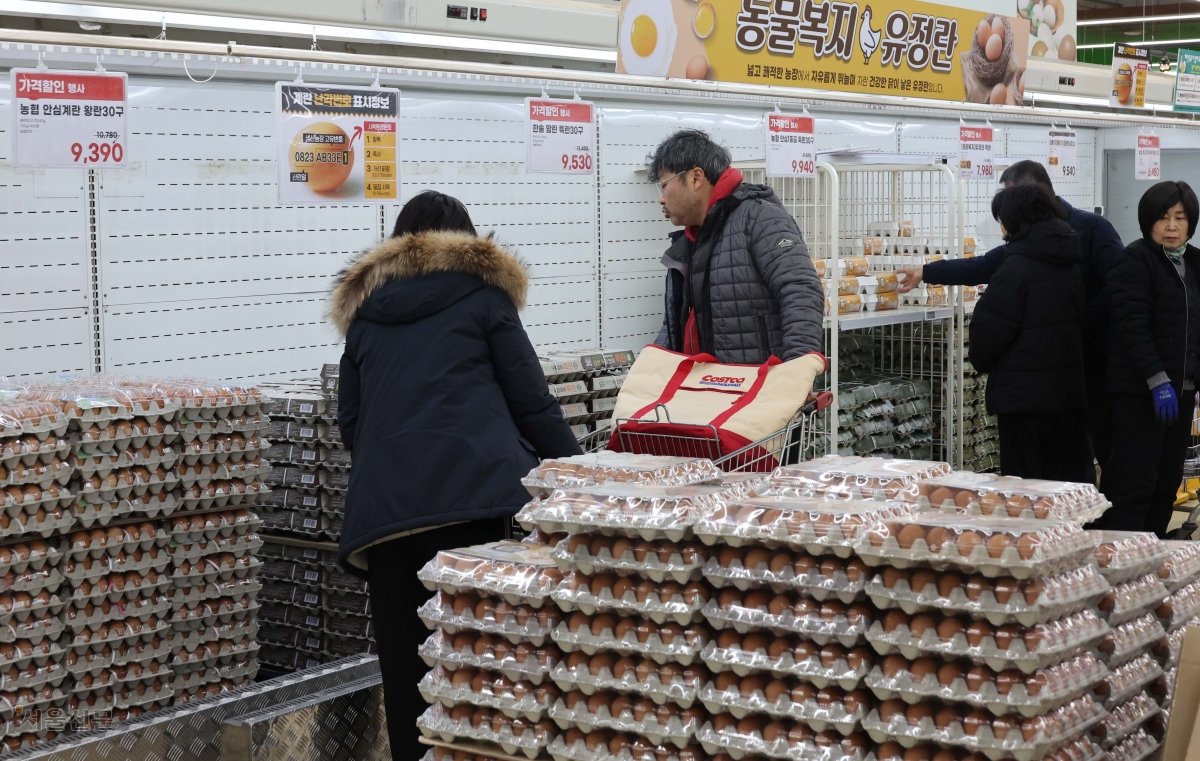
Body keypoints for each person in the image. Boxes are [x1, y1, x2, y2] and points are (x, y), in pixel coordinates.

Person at [330, 191, 582, 760]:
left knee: (407, 675)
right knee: (482, 670)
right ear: (467, 240)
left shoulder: (366, 316)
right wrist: (581, 475)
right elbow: (532, 402)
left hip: (385, 521)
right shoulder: (484, 297)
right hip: (475, 508)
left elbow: (350, 424)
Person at [895, 160, 1123, 472]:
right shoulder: (1036, 243)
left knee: (1088, 455)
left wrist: (1083, 323)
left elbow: (1119, 285)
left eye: (1011, 199)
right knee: (1070, 467)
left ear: (1034, 195)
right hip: (1064, 376)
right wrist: (926, 271)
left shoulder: (1090, 230)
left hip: (1086, 365)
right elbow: (982, 265)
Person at [648, 129, 826, 365]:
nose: (661, 198)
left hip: (763, 390)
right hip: (715, 388)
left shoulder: (760, 217)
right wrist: (650, 369)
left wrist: (798, 370)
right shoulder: (694, 238)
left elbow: (801, 290)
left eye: (664, 185)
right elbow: (680, 323)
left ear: (696, 178)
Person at [967, 184, 1089, 481]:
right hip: (1066, 392)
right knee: (1060, 483)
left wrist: (981, 359)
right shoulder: (1068, 260)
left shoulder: (1017, 266)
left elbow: (989, 331)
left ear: (1015, 220)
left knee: (1024, 488)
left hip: (1023, 397)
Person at [1098, 181, 1200, 536]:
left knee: (1166, 481)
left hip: (1182, 395)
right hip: (1141, 395)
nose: (1171, 227)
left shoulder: (1194, 262)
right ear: (1147, 221)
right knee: (1133, 482)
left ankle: (1153, 558)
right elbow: (1132, 326)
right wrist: (1158, 381)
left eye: (1180, 218)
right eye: (1162, 218)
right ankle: (1120, 560)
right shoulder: (1135, 260)